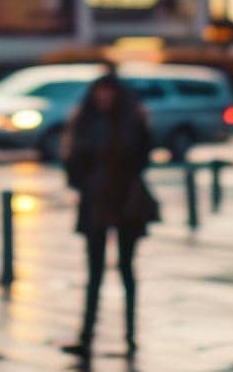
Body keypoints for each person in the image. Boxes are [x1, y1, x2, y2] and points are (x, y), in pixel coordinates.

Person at [61, 72, 160, 362]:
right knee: (94, 273)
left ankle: (130, 337)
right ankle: (86, 336)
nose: (104, 98)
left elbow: (143, 156)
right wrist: (84, 182)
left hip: (127, 202)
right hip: (95, 202)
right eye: (100, 92)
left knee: (127, 270)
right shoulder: (85, 121)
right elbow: (72, 160)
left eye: (109, 92)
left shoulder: (132, 120)